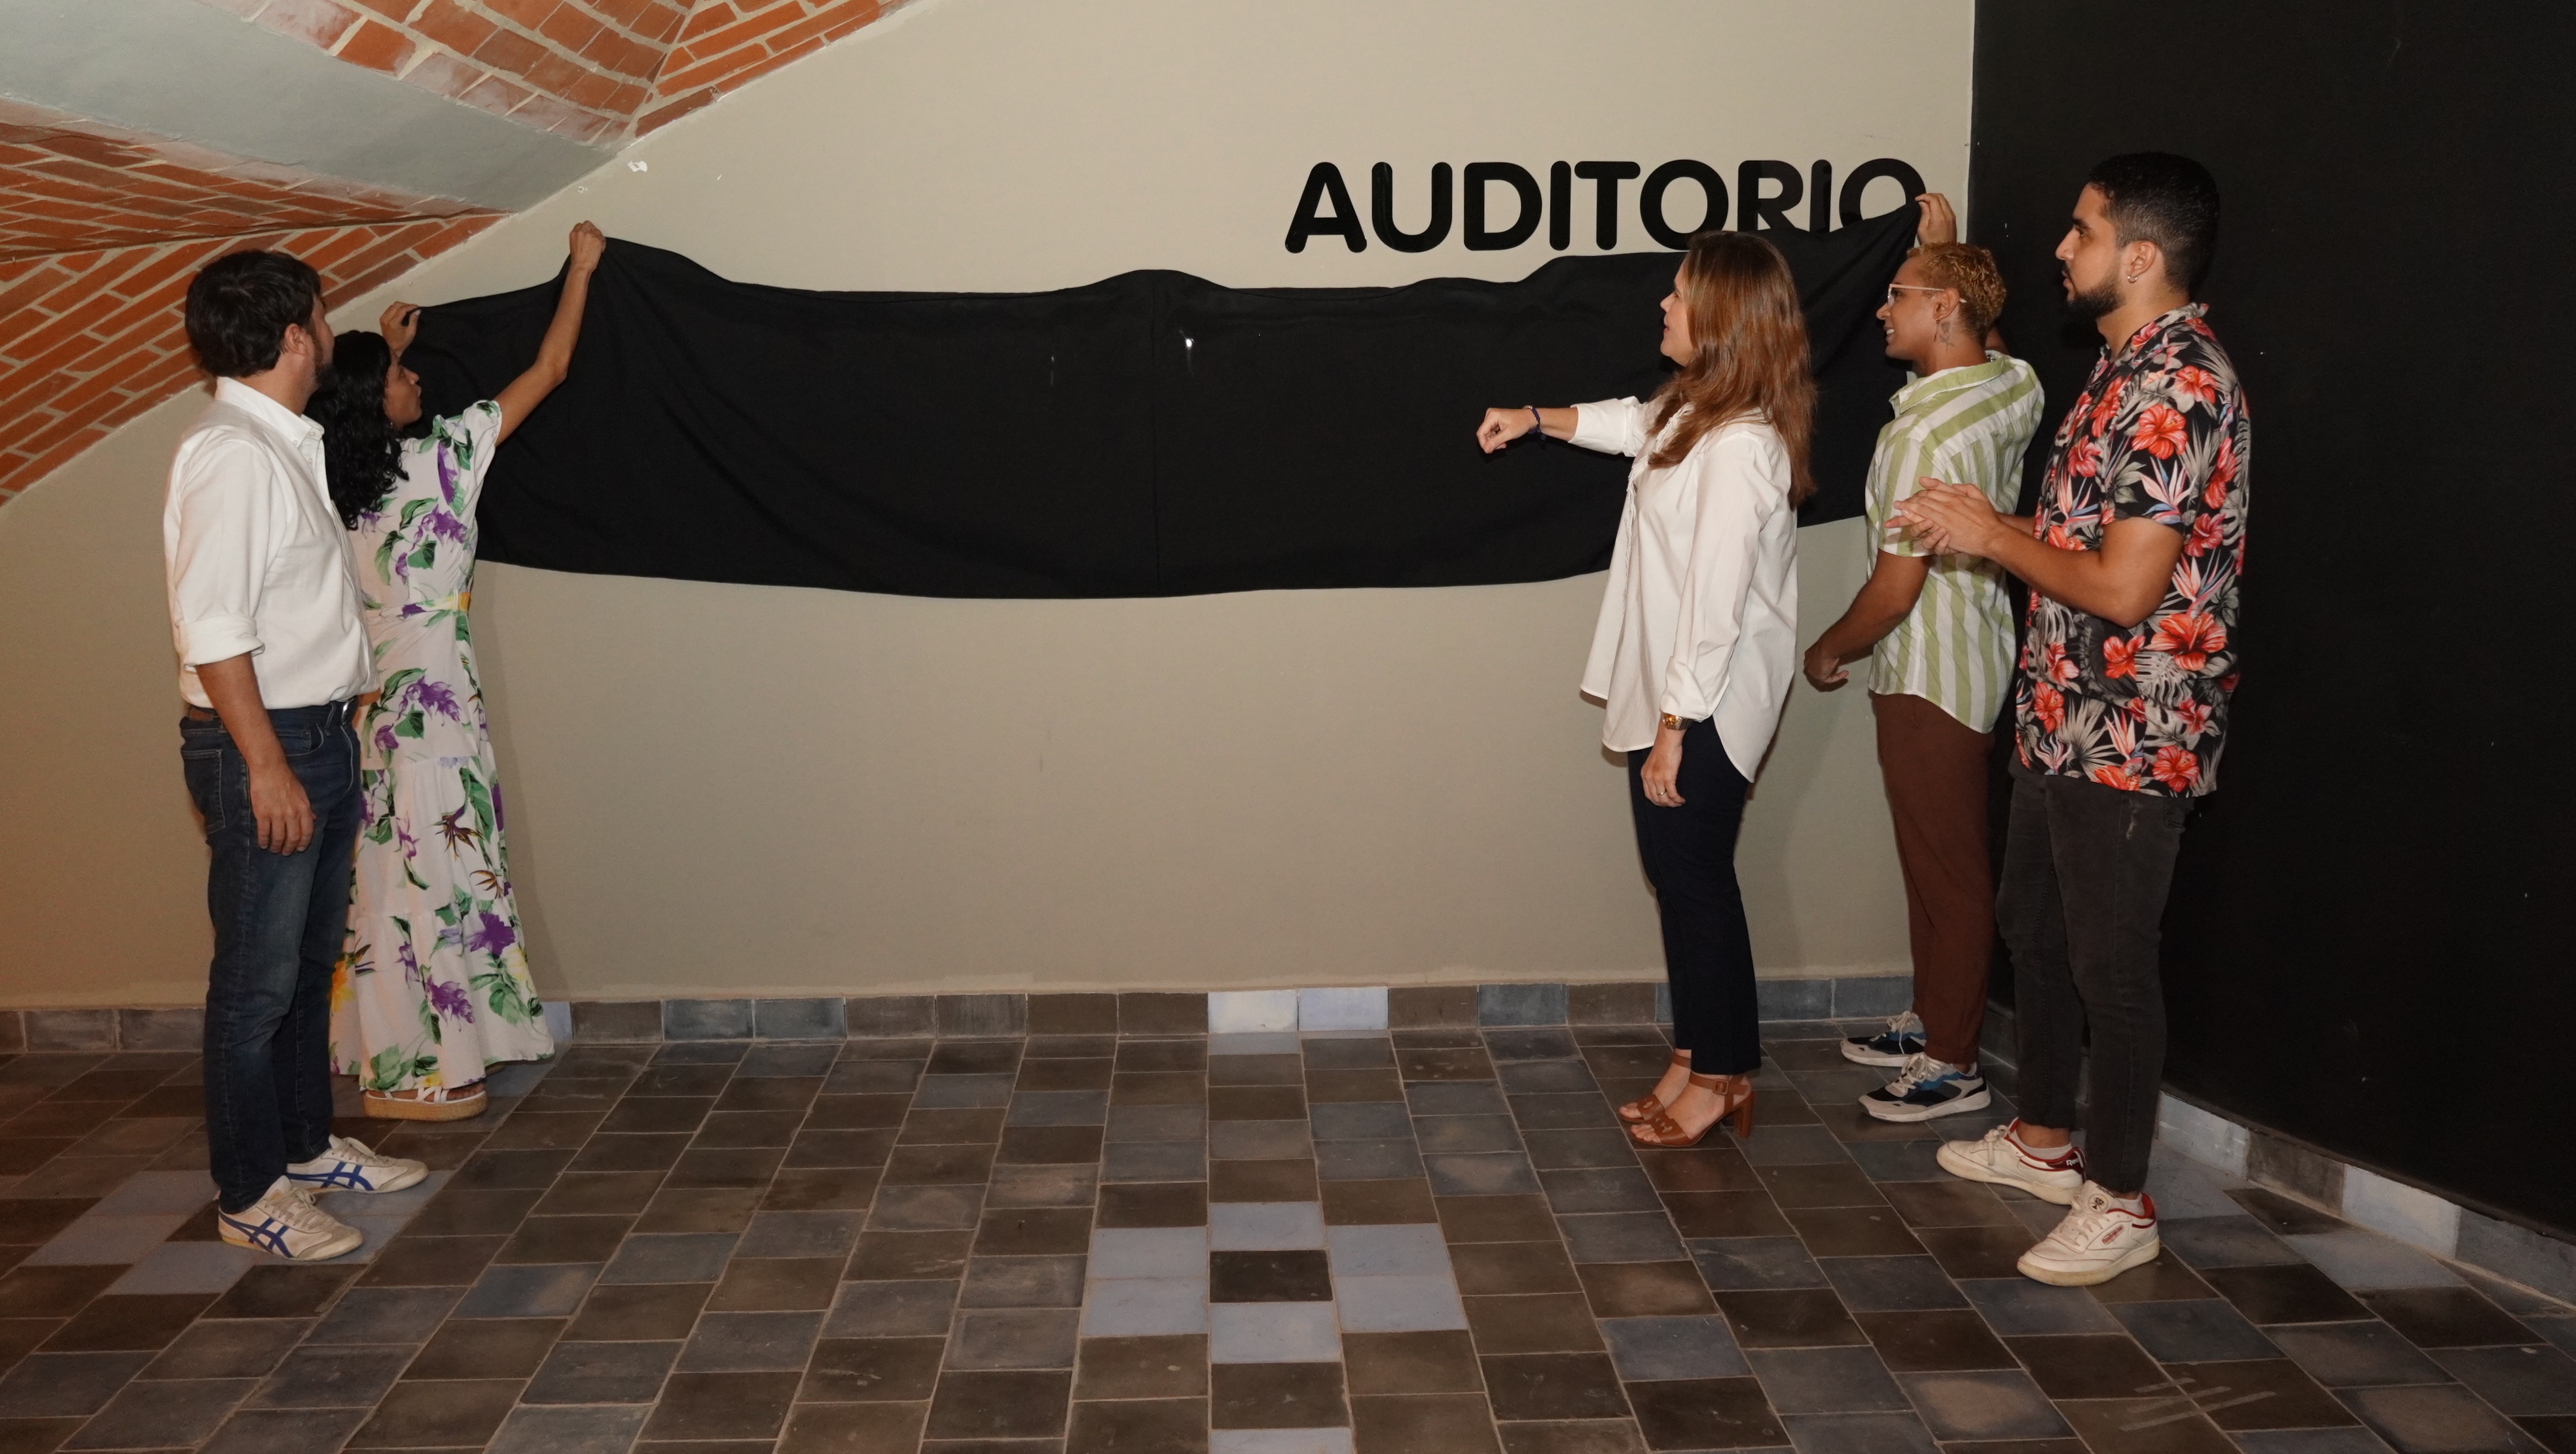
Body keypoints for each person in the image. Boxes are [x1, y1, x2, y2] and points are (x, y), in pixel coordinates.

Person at [1895, 154, 2248, 1286]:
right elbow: (2082, 544)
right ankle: (2045, 1139)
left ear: (2138, 257)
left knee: (2112, 965)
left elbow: (2128, 590)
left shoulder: (2179, 386)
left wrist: (1990, 537)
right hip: (2061, 710)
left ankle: (2121, 1193)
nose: (2061, 246)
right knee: (2034, 928)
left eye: (2082, 230)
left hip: (2134, 729)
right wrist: (1984, 518)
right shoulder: (2115, 368)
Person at [1475, 230, 1813, 1148]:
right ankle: (1696, 1051)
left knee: (1696, 881)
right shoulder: (1694, 411)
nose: (1663, 306)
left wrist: (1675, 726)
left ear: (1722, 319)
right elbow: (1631, 422)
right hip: (1681, 694)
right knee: (1677, 876)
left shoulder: (1742, 445)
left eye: (1677, 294)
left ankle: (1723, 1072)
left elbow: (1714, 604)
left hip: (1706, 699)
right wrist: (1534, 416)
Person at [308, 221, 606, 1120]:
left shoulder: (333, 486)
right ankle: (419, 1070)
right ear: (378, 402)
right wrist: (581, 272)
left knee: (396, 880)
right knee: (433, 879)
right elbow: (549, 369)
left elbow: (340, 408)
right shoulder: (443, 459)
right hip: (433, 713)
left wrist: (382, 354)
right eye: (402, 377)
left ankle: (421, 1050)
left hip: (374, 712)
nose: (416, 379)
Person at [168, 251, 427, 1261]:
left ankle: (307, 1149)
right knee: (254, 986)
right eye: (322, 318)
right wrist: (266, 764)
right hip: (264, 746)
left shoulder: (279, 440)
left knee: (306, 965)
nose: (332, 332)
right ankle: (249, 1194)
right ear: (292, 339)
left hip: (314, 734)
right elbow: (213, 626)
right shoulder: (231, 452)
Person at [1804, 224, 2044, 1123]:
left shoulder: (1918, 441)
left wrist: (1830, 648)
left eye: (1900, 292)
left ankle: (1953, 1061)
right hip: (1976, 657)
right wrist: (1952, 254)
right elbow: (1999, 348)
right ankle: (1933, 1019)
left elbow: (1894, 589)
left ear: (1944, 309)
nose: (1880, 305)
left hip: (1929, 675)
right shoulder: (2011, 385)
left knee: (1947, 871)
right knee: (1930, 862)